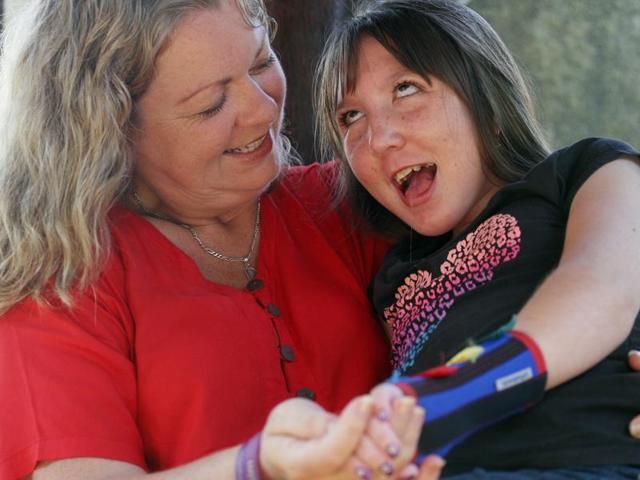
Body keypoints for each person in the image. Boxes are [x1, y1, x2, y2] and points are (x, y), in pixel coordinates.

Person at [0, 1, 443, 479]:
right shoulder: (62, 278)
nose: (263, 109)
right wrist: (255, 466)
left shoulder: (348, 202)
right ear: (109, 128)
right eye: (211, 104)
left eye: (261, 63)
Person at [314, 0, 640, 478]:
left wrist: (456, 392)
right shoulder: (388, 276)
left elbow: (601, 285)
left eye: (406, 89)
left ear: (485, 98)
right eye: (350, 117)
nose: (378, 138)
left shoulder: (586, 171)